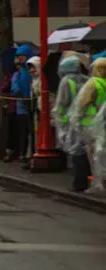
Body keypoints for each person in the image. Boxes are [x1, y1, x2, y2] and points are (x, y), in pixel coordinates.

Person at [54, 54, 90, 191]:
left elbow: (61, 105)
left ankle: (79, 183)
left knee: (76, 152)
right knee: (87, 151)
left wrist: (61, 125)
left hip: (72, 122)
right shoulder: (86, 80)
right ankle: (86, 180)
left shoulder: (66, 82)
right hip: (87, 121)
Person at [75, 58, 106, 190]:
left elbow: (81, 103)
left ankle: (97, 182)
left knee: (92, 154)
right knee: (102, 153)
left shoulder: (93, 83)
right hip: (103, 122)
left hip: (90, 123)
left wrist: (76, 120)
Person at [5, 47, 34, 162]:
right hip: (22, 105)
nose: (20, 58)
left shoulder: (30, 71)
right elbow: (15, 88)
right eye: (18, 56)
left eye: (22, 55)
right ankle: (23, 153)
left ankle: (30, 153)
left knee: (32, 131)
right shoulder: (18, 73)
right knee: (23, 132)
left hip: (32, 104)